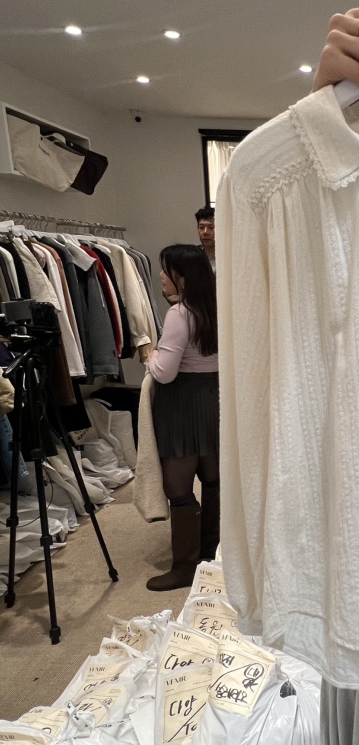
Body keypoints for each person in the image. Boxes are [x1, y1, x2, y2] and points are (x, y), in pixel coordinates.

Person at [145, 244, 219, 591]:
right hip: (214, 397)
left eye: (167, 270)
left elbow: (165, 372)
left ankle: (186, 567)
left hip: (183, 403)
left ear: (183, 278)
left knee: (177, 486)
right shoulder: (217, 307)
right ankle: (212, 553)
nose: (161, 276)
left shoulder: (179, 313)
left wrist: (150, 355)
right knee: (213, 478)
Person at [195, 207, 216, 271]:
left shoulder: (227, 256)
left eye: (211, 227)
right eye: (201, 227)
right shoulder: (193, 255)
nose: (205, 232)